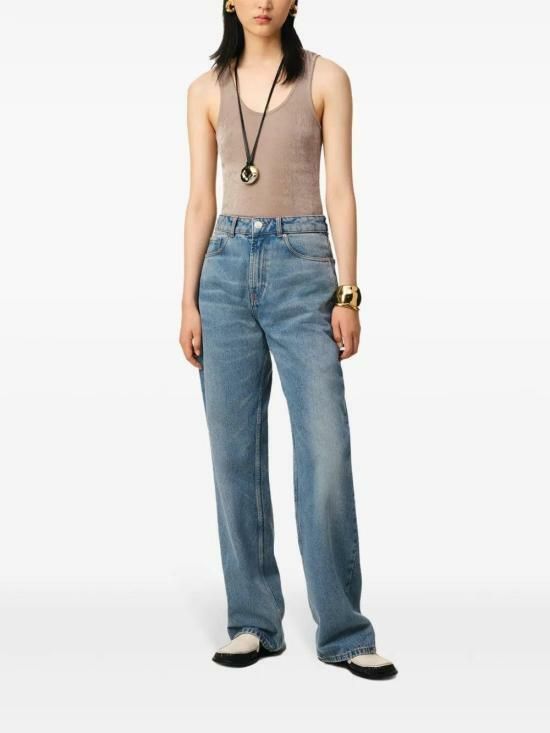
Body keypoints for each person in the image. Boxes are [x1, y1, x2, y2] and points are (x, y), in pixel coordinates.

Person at [179, 0, 398, 680]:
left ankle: (344, 631)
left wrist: (348, 292)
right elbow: (201, 200)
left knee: (325, 450)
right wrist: (187, 299)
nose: (264, 1)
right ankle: (252, 621)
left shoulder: (327, 78)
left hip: (305, 268)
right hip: (224, 272)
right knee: (234, 457)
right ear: (228, 1)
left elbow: (341, 190)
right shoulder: (205, 90)